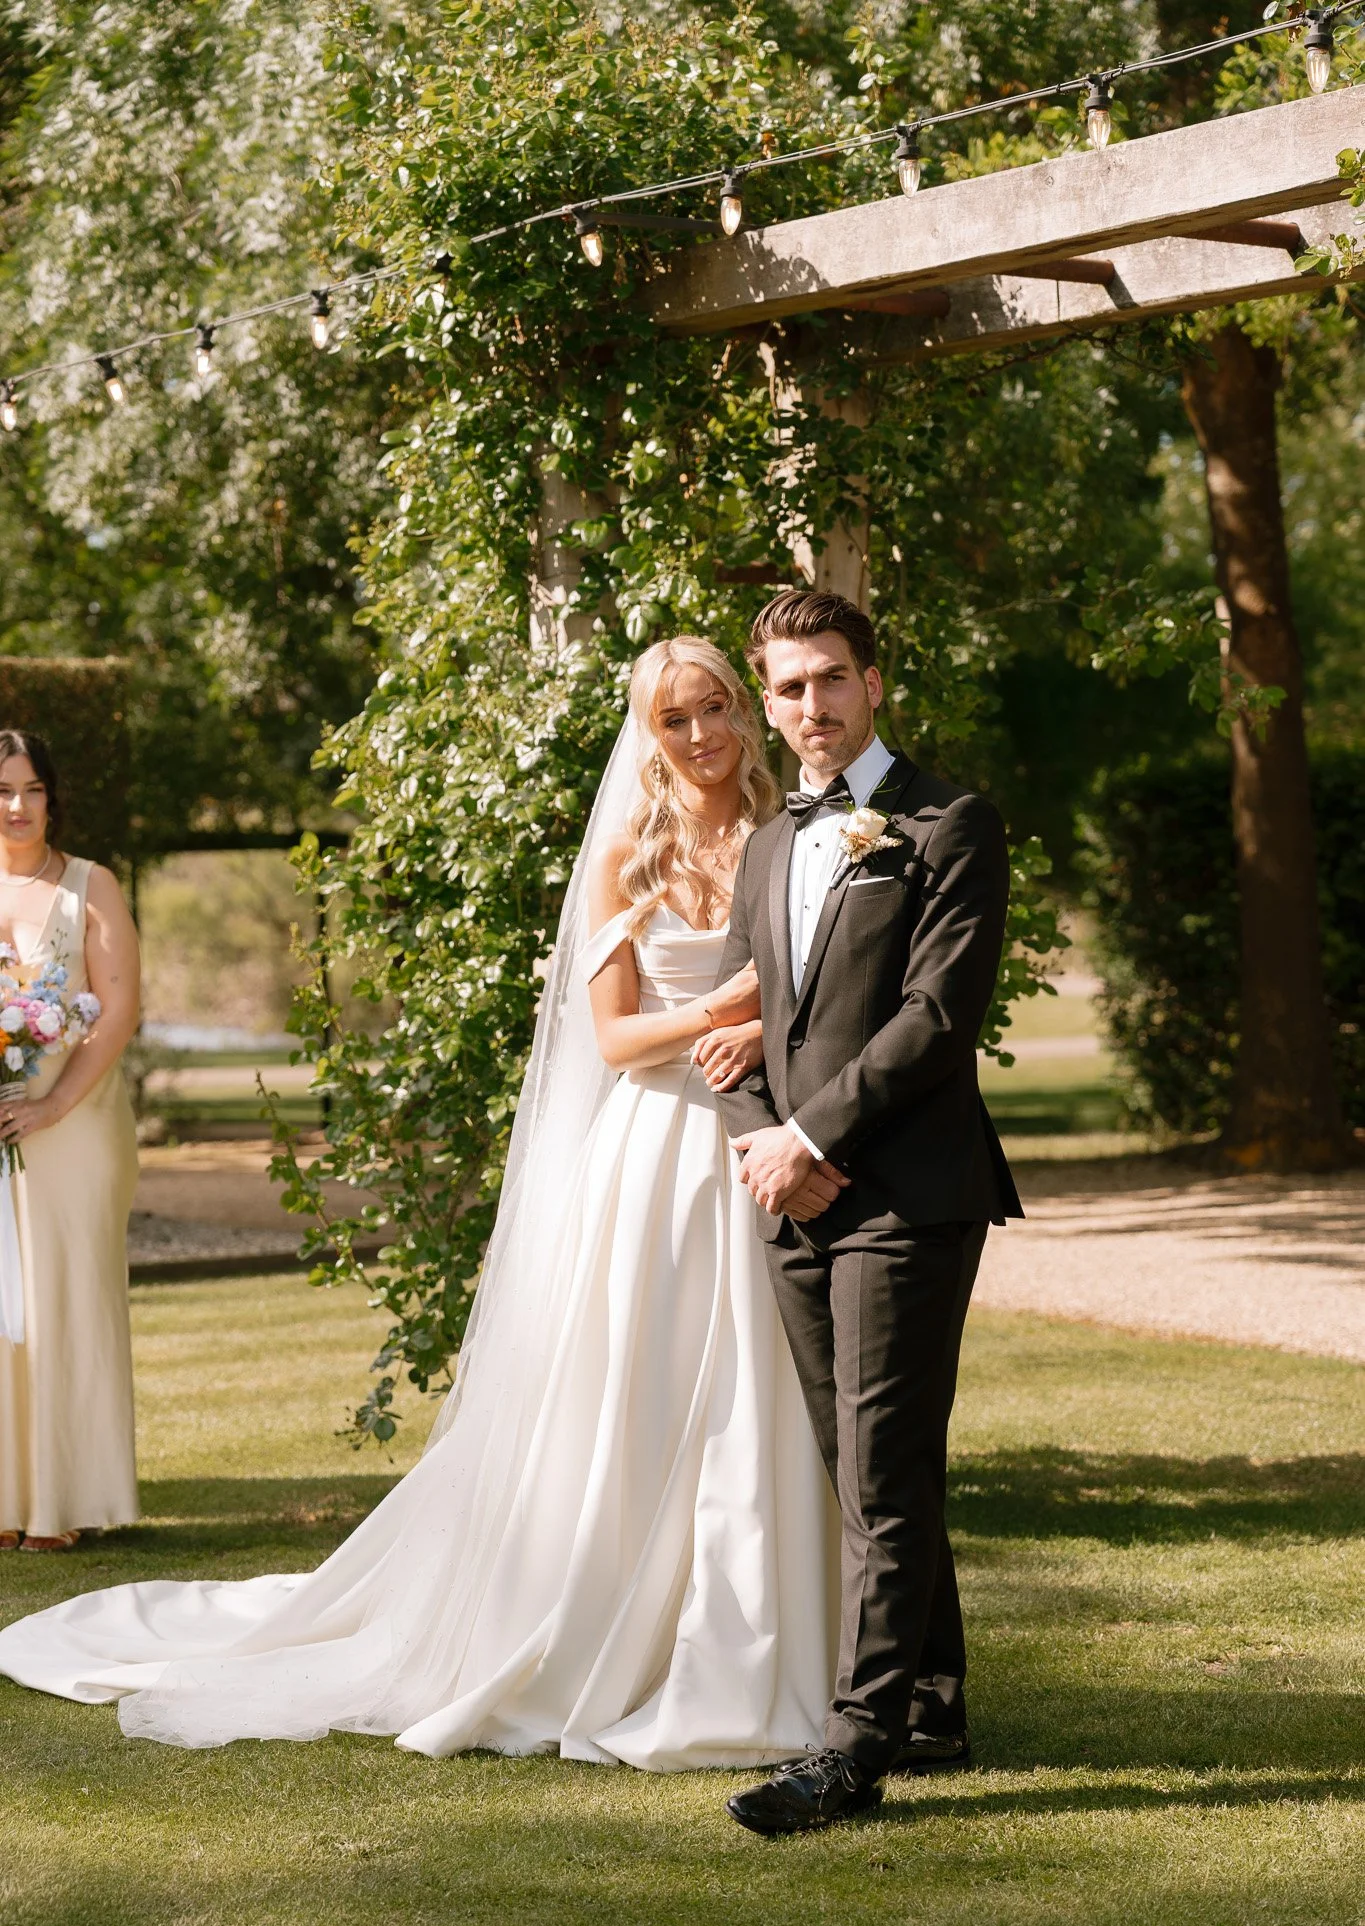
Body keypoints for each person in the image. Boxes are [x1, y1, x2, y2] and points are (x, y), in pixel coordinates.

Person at [0, 639, 842, 1765]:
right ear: (648, 731)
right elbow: (614, 1036)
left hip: (760, 1153)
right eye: (672, 717)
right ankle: (619, 1639)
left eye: (714, 709)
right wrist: (728, 1006)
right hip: (655, 1154)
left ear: (744, 710)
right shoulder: (626, 856)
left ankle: (767, 1641)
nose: (698, 735)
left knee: (760, 1404)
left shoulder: (791, 835)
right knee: (639, 1404)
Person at [714, 591, 1022, 1836]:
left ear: (874, 681)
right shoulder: (769, 844)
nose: (811, 706)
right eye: (787, 687)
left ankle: (852, 1747)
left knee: (885, 1470)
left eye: (831, 678)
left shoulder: (951, 822)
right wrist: (762, 1147)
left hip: (908, 1193)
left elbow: (936, 1020)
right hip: (791, 1195)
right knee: (857, 1466)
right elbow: (750, 1035)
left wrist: (813, 1136)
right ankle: (933, 1700)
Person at [0, 730, 142, 1554]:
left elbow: (117, 1010)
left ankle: (65, 1500)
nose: (17, 807)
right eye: (3, 791)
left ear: (53, 798)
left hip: (75, 1124)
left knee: (65, 1298)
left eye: (32, 790)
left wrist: (51, 1105)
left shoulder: (92, 886)